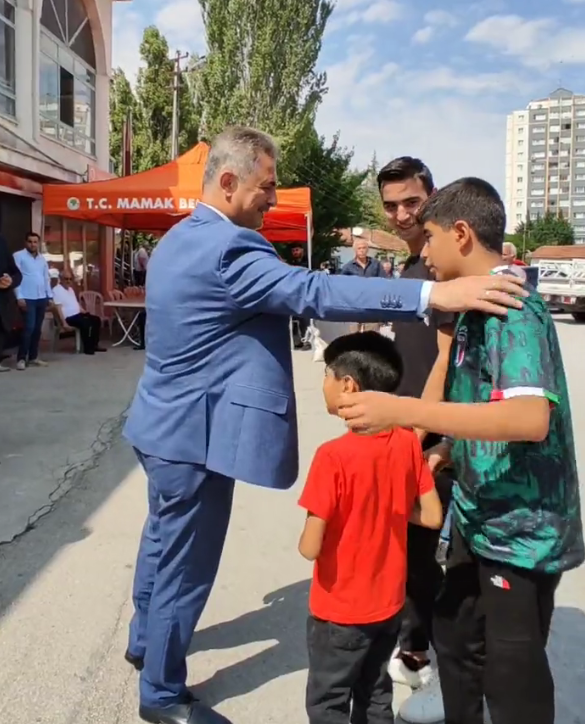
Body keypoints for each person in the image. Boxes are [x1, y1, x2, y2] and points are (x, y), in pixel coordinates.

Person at [122, 125, 526, 724]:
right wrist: (428, 299)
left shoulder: (182, 237)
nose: (273, 197)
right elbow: (313, 290)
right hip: (193, 438)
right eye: (267, 185)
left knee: (159, 545)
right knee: (186, 565)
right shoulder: (229, 248)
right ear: (228, 182)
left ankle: (143, 642)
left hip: (159, 427)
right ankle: (161, 693)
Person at [337, 177, 585, 724]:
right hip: (482, 517)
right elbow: (486, 401)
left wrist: (406, 413)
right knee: (452, 630)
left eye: (430, 236)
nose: (423, 251)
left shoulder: (513, 309)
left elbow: (527, 417)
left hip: (521, 532)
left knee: (512, 668)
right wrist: (450, 447)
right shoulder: (478, 306)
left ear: (463, 234)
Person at [298, 331, 443, 724]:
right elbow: (431, 516)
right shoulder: (407, 443)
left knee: (328, 700)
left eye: (327, 374)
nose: (323, 383)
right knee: (375, 692)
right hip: (388, 606)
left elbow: (310, 547)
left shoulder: (332, 457)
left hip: (339, 610)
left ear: (348, 385)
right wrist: (389, 506)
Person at [376, 156, 455, 724]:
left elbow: (460, 364)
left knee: (434, 550)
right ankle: (410, 640)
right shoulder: (404, 273)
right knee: (402, 547)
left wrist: (441, 436)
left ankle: (426, 651)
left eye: (412, 202)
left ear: (432, 195)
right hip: (400, 432)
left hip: (442, 440)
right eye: (391, 205)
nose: (402, 214)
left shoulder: (450, 272)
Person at [13, 232, 53, 371]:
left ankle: (33, 357)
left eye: (35, 242)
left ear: (39, 243)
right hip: (27, 297)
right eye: (30, 241)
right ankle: (21, 358)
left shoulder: (42, 259)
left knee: (37, 329)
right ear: (26, 242)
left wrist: (50, 295)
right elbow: (15, 278)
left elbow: (46, 278)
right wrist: (19, 296)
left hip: (41, 297)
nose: (33, 244)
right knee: (28, 328)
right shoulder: (18, 256)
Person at [51, 269, 106, 355]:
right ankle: (88, 348)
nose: (68, 281)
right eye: (66, 279)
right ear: (61, 279)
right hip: (68, 317)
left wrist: (84, 311)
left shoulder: (70, 290)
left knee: (96, 320)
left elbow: (75, 303)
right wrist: (64, 323)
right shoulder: (56, 290)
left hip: (77, 314)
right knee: (86, 324)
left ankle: (95, 345)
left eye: (70, 279)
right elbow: (58, 308)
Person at [342, 239, 387, 333]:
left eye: (364, 248)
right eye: (359, 248)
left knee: (371, 335)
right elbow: (341, 285)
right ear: (355, 250)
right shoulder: (348, 267)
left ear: (367, 249)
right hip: (354, 305)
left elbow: (384, 281)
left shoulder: (376, 264)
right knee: (354, 335)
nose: (361, 250)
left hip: (372, 304)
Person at [0, 233, 23, 372]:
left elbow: (17, 274)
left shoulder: (2, 242)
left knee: (2, 330)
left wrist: (10, 281)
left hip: (2, 301)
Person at [289, 244, 311, 350]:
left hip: (305, 293)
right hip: (293, 293)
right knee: (294, 320)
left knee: (305, 319)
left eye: (297, 250)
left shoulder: (309, 262)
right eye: (293, 250)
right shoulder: (291, 263)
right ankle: (297, 342)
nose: (295, 252)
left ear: (302, 250)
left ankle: (306, 341)